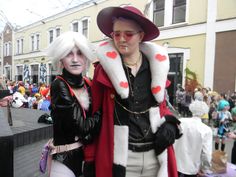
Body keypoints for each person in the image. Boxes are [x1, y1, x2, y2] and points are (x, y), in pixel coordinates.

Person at [84, 6, 181, 177]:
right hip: (121, 158)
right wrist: (90, 158)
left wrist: (171, 125)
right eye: (116, 34)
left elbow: (162, 107)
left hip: (155, 155)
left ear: (141, 36)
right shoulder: (103, 70)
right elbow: (95, 114)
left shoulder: (155, 68)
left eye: (128, 34)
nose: (121, 39)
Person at [45, 31, 101, 177]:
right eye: (69, 54)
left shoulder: (88, 83)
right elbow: (81, 127)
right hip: (65, 160)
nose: (75, 59)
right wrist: (103, 111)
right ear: (61, 59)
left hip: (86, 158)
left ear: (86, 57)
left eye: (80, 53)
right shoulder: (59, 85)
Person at [174, 100, 212, 177]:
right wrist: (204, 168)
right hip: (191, 168)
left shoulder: (181, 122)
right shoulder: (206, 130)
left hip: (175, 164)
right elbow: (206, 154)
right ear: (204, 113)